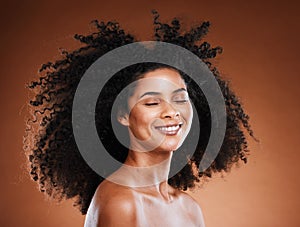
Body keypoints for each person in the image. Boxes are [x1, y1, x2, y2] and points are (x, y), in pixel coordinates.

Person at [24, 11, 256, 227]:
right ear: (123, 115)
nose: (171, 112)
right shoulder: (119, 202)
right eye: (152, 102)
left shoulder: (189, 209)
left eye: (180, 99)